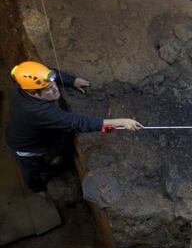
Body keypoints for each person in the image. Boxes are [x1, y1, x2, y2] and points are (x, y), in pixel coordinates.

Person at [6, 60, 142, 195]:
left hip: (41, 132)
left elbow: (49, 73)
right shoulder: (38, 112)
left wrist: (72, 81)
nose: (55, 89)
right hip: (26, 147)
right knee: (32, 170)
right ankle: (37, 188)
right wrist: (121, 122)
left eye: (53, 84)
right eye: (48, 89)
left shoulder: (25, 83)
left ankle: (60, 155)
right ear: (33, 93)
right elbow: (78, 122)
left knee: (61, 139)